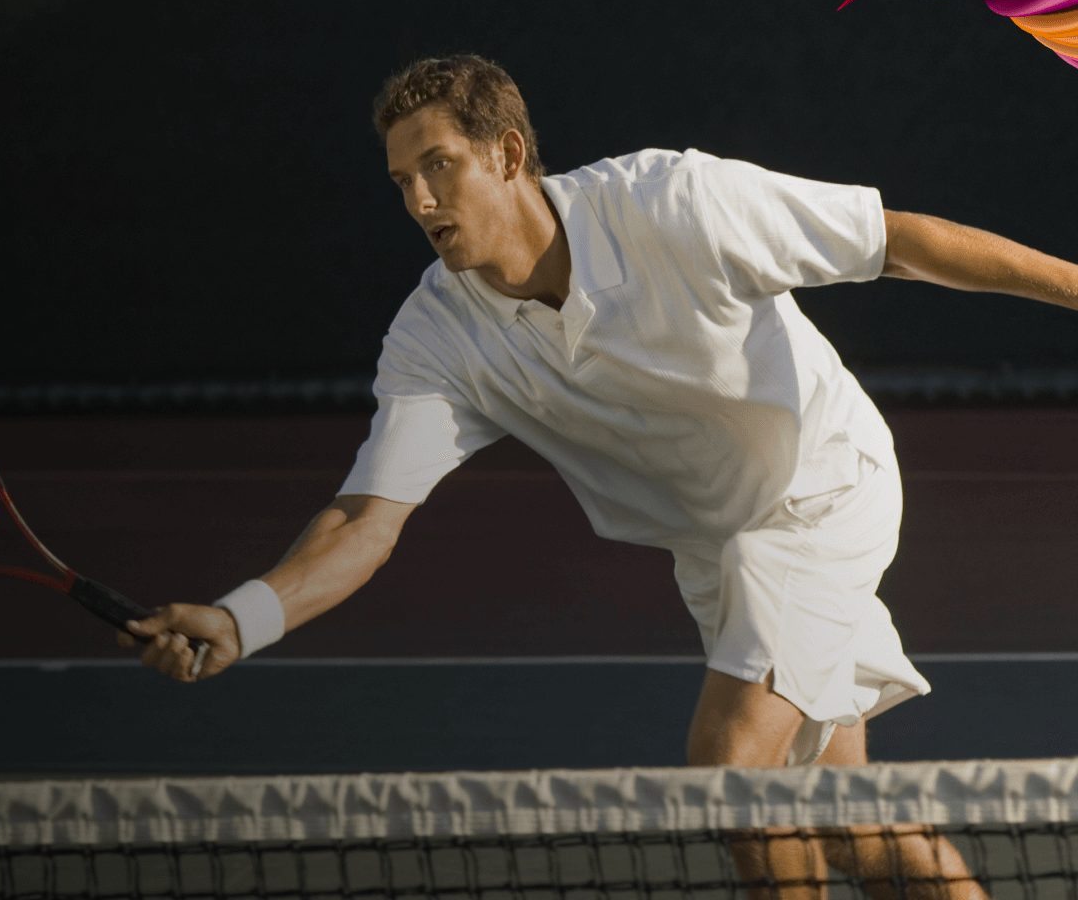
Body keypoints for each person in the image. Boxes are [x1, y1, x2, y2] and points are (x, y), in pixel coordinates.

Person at [122, 55, 1076, 898]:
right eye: (402, 180)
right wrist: (244, 616)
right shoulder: (436, 336)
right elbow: (365, 521)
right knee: (849, 824)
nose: (418, 201)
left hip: (820, 491)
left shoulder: (674, 203)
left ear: (505, 153)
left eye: (438, 166)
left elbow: (895, 241)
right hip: (720, 550)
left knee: (730, 771)